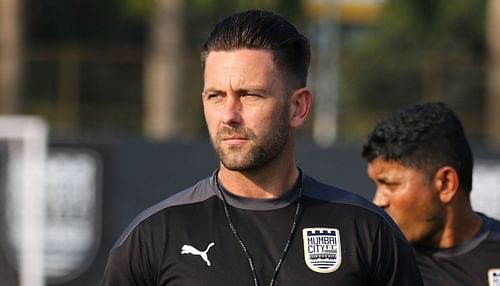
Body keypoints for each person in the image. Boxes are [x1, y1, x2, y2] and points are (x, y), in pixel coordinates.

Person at [101, 10, 423, 286]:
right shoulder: (154, 236)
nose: (229, 115)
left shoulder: (366, 231)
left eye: (250, 95)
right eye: (216, 96)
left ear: (298, 107)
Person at [362, 102, 500, 285]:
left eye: (391, 185)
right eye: (377, 185)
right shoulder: (374, 261)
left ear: (445, 184)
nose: (378, 201)